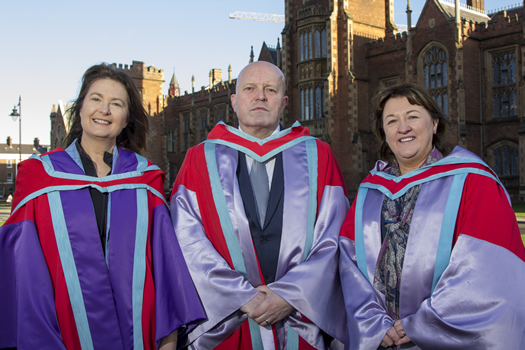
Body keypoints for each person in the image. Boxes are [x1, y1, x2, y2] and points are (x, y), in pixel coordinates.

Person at [0, 64, 205, 349]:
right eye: (96, 99)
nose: (104, 109)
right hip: (61, 333)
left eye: (116, 103)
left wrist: (168, 344)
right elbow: (23, 273)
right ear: (81, 108)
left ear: (126, 120)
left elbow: (165, 271)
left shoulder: (145, 180)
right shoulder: (39, 177)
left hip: (138, 334)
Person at [170, 61, 349, 349]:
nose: (260, 96)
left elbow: (334, 238)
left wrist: (290, 295)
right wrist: (242, 297)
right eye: (250, 89)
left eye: (270, 89)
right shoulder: (199, 159)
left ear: (284, 101)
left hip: (300, 323)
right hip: (228, 325)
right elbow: (186, 240)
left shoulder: (319, 155)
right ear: (234, 101)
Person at [338, 83, 525, 349]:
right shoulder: (372, 190)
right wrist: (371, 320)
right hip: (379, 336)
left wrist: (425, 323)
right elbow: (348, 262)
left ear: (435, 124)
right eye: (392, 121)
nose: (403, 127)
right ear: (384, 133)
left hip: (442, 336)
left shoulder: (472, 181)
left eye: (413, 117)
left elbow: (487, 270)